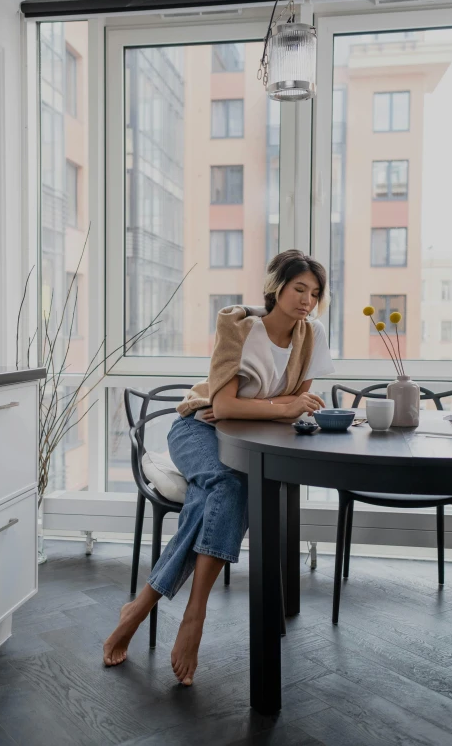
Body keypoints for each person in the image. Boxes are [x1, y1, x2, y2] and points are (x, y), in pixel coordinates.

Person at [103, 250, 335, 685]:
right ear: (277, 287)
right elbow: (225, 405)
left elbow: (296, 404)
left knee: (218, 492)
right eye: (299, 288)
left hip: (244, 435)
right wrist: (275, 408)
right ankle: (196, 612)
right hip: (197, 428)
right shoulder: (241, 328)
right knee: (232, 485)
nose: (307, 300)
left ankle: (140, 607)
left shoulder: (312, 335)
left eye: (315, 293)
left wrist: (261, 408)